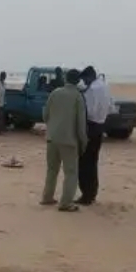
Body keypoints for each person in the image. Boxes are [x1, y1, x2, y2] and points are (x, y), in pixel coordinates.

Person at [40, 68, 88, 212]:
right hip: (69, 140)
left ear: (66, 78)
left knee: (52, 170)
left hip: (52, 137)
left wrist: (52, 126)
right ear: (78, 81)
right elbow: (81, 123)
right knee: (70, 173)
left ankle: (47, 197)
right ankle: (66, 202)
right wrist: (83, 141)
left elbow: (45, 115)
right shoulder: (78, 96)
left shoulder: (55, 93)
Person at [76, 66, 114, 205]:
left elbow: (89, 111)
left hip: (90, 126)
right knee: (93, 161)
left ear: (89, 77)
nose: (84, 82)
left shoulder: (92, 89)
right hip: (100, 125)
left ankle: (86, 194)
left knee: (84, 162)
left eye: (85, 79)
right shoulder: (104, 86)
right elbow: (111, 107)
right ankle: (92, 193)